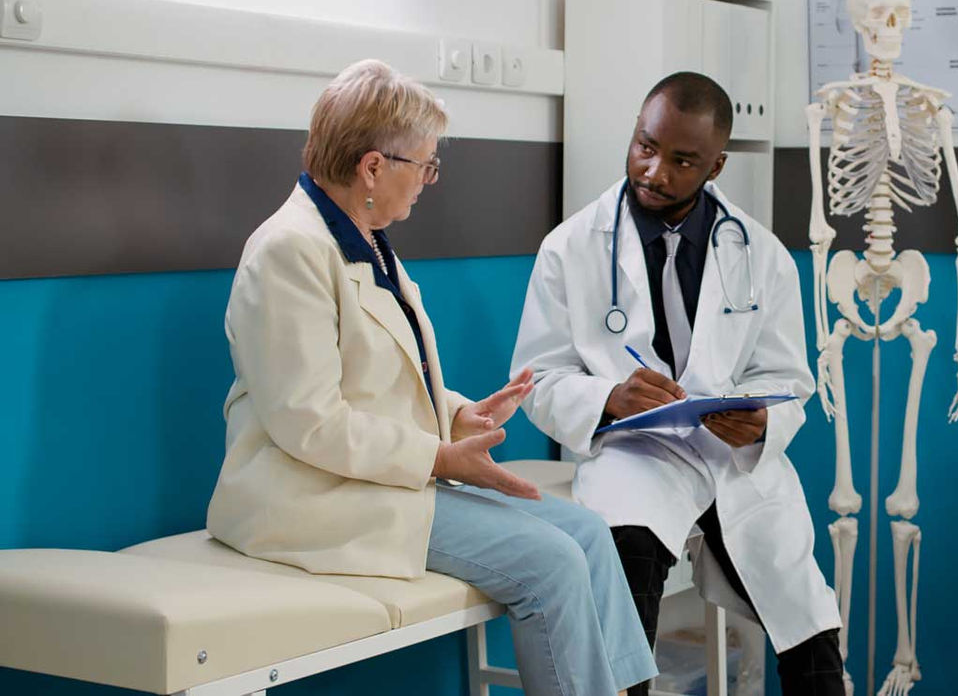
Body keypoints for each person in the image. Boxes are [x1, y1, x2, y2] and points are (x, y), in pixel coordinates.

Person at [206, 59, 657, 696]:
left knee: (586, 531)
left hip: (377, 478)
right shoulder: (289, 251)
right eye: (425, 164)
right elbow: (309, 422)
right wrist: (441, 454)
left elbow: (376, 377)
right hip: (312, 495)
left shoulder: (364, 238)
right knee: (551, 563)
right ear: (372, 167)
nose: (429, 179)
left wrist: (456, 415)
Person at [511, 72, 846, 695]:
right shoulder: (570, 248)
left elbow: (787, 379)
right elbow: (537, 380)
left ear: (715, 165)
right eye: (645, 145)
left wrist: (763, 422)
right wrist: (607, 397)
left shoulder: (760, 254)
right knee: (627, 569)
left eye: (681, 160)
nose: (654, 171)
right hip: (634, 455)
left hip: (731, 458)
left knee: (808, 624)